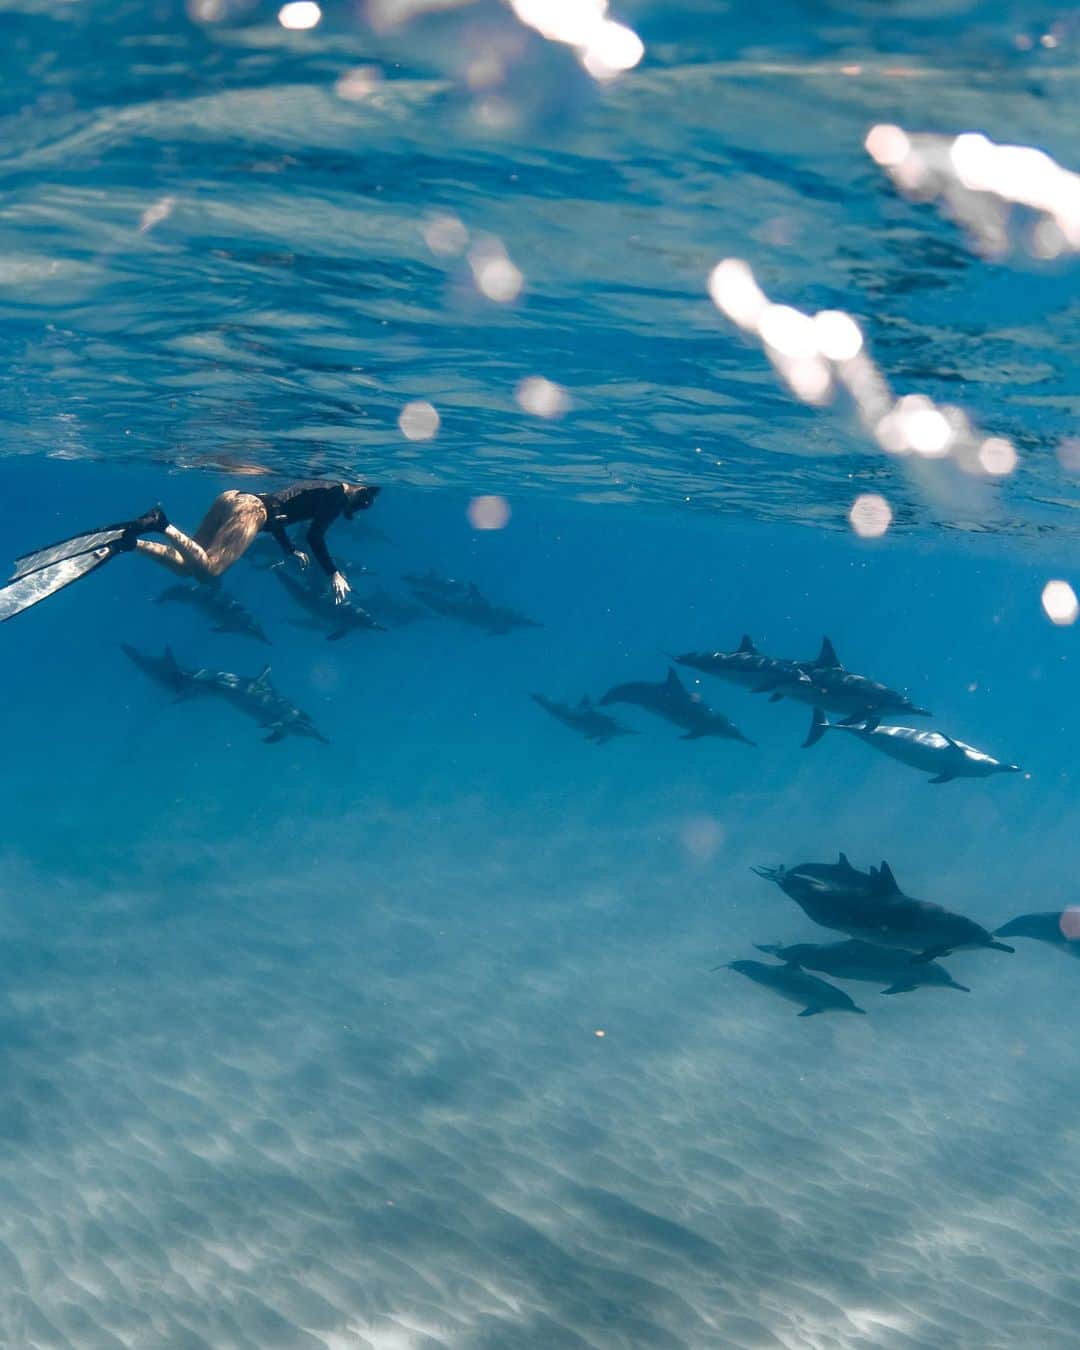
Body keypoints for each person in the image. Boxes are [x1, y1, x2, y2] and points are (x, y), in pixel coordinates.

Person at [0, 479, 380, 623]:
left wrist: (287, 546)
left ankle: (130, 542)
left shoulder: (324, 485)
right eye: (358, 506)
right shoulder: (336, 496)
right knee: (211, 571)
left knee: (187, 566)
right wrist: (332, 571)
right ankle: (160, 524)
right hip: (252, 512)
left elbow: (289, 507)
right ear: (359, 493)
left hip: (234, 498)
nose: (351, 513)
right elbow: (316, 535)